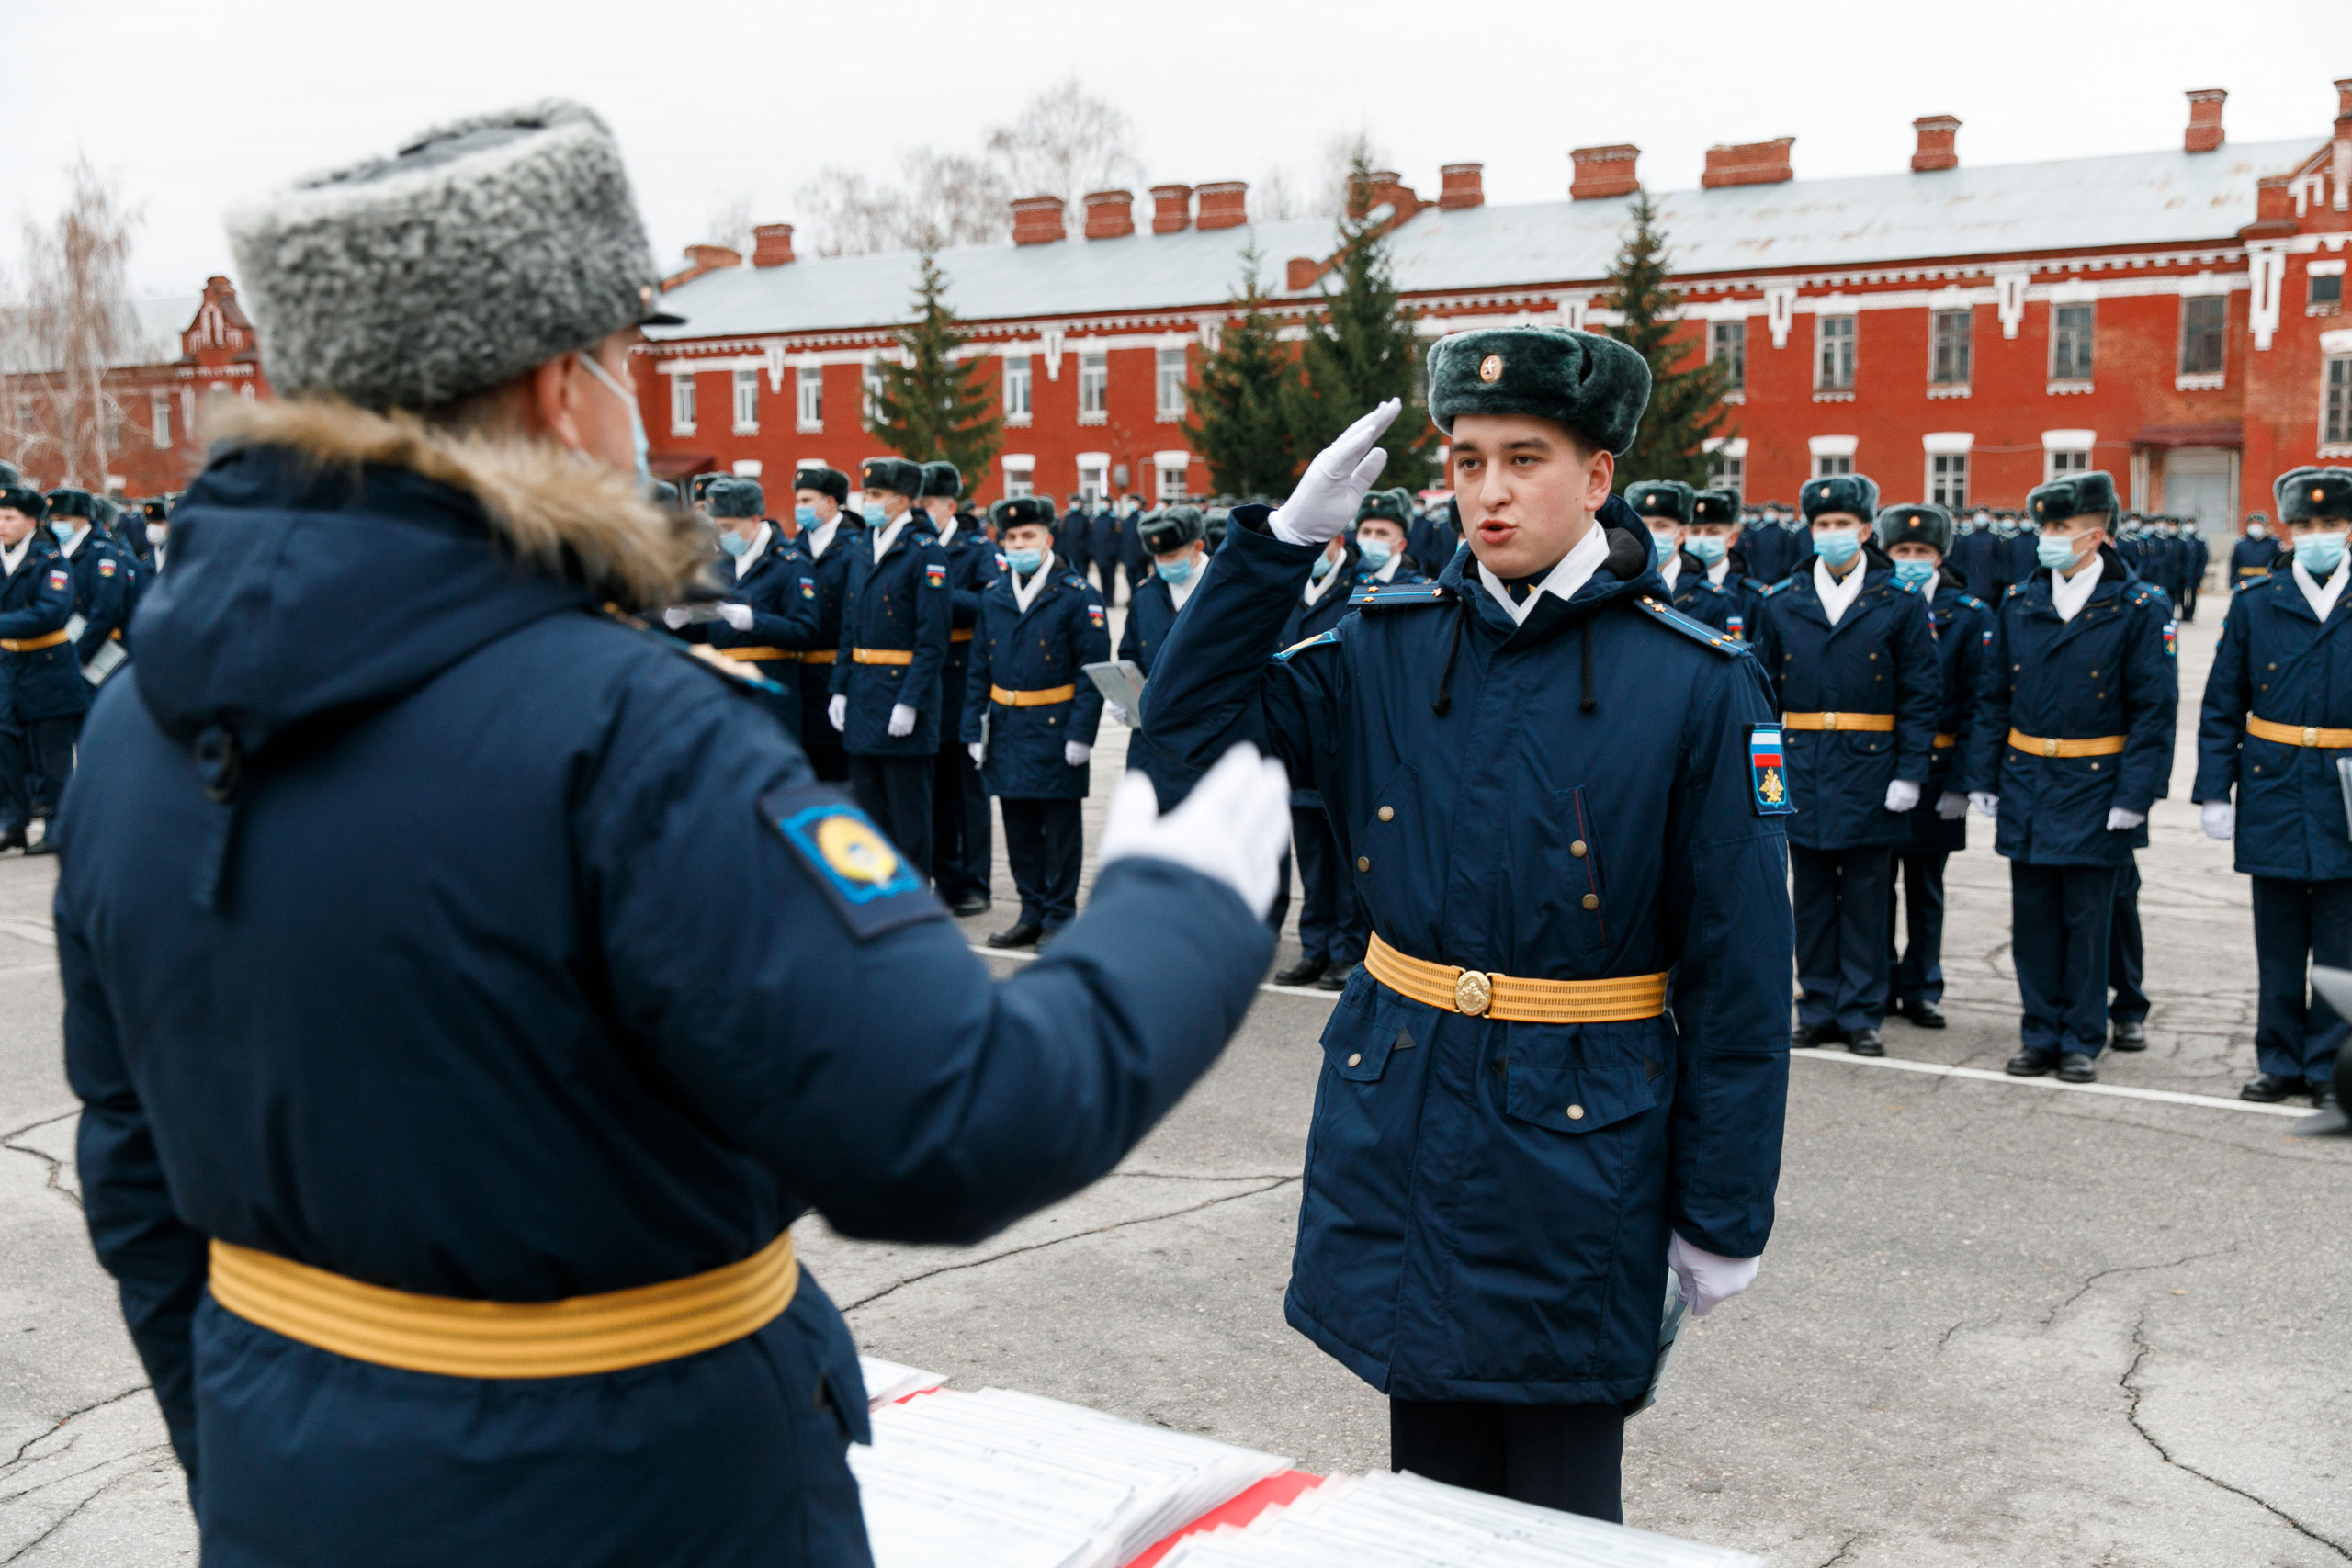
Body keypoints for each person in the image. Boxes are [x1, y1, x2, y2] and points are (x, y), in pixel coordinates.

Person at [55, 100, 1295, 1568]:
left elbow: (131, 1160)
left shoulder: (138, 720)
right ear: (559, 387)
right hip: (644, 1498)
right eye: (623, 359)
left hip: (289, 1482)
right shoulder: (622, 721)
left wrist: (260, 1452)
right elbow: (952, 1118)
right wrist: (1183, 908)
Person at [1142, 325, 1792, 1524]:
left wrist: (1723, 1206)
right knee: (1424, 1508)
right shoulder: (1388, 646)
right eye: (1466, 457)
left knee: (1553, 1512)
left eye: (1525, 457)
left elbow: (1742, 976)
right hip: (1406, 1118)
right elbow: (1181, 734)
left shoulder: (1696, 680)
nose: (1489, 490)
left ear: (1598, 475)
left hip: (1578, 1148)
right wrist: (1278, 546)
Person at [1965, 470, 2177, 1085]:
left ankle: (2083, 1036)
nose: (2048, 540)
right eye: (2044, 528)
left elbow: (2153, 711)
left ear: (2097, 532)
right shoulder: (2020, 601)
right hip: (2029, 776)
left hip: (2097, 782)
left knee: (2087, 920)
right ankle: (2040, 1031)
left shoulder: (2139, 606)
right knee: (2032, 917)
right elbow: (1993, 696)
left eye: (2060, 528)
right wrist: (1984, 774)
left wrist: (2137, 794)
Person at [1752, 475, 1940, 1057]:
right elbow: (1761, 697)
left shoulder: (1899, 601)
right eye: (1822, 524)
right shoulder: (1781, 601)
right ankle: (1816, 1006)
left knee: (1865, 897)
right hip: (1802, 766)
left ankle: (1861, 1013)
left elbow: (1920, 693)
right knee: (1808, 897)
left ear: (1865, 530)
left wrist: (1910, 772)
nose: (1831, 534)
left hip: (1871, 769)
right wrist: (1766, 781)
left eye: (1843, 524)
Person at [2193, 466, 2351, 1108]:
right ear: (2289, 529)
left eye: (2331, 524)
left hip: (2346, 786)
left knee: (2342, 943)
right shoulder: (2257, 602)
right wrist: (2212, 790)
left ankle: (2328, 1070)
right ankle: (2279, 1059)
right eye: (2306, 525)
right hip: (2276, 783)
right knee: (2279, 939)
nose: (2318, 536)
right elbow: (2222, 702)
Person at [964, 500, 1109, 948]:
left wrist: (1081, 734)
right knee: (1019, 827)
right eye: (1011, 538)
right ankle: (1031, 911)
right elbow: (977, 670)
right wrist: (973, 730)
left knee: (1059, 830)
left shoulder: (1076, 594)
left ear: (1047, 539)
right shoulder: (994, 595)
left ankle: (1060, 916)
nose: (1019, 545)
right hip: (1006, 727)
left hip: (1055, 726)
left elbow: (1093, 669)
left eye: (1028, 536)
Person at [1873, 503, 1990, 1029]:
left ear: (1941, 556)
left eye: (1923, 553)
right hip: (1877, 767)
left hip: (1940, 770)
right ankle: (1876, 979)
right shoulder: (1875, 603)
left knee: (1925, 889)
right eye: (1902, 552)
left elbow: (1979, 704)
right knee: (1873, 886)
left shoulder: (1968, 614)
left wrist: (1964, 781)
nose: (1912, 561)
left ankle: (1922, 986)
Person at [829, 456, 948, 882]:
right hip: (863, 693)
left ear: (901, 501)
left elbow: (932, 639)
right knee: (868, 810)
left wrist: (910, 702)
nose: (867, 502)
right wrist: (839, 687)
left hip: (901, 696)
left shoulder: (924, 551)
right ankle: (874, 895)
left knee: (908, 815)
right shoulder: (863, 546)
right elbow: (850, 625)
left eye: (876, 495)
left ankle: (914, 898)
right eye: (866, 494)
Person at [667, 477, 821, 734]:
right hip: (725, 691)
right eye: (716, 527)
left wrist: (755, 621)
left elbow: (806, 630)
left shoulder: (789, 566)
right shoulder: (716, 566)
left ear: (753, 520)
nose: (721, 534)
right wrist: (682, 624)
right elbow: (708, 631)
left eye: (728, 526)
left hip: (771, 691)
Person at [922, 460, 998, 918]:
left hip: (962, 676)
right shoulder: (914, 549)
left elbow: (990, 601)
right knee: (934, 788)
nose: (920, 511)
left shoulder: (974, 550)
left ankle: (975, 883)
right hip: (924, 680)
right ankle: (944, 878)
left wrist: (936, 594)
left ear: (949, 507)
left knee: (967, 789)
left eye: (927, 504)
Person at [0, 483, 78, 854]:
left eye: (9, 517)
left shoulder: (50, 559)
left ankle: (58, 827)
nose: (1, 523)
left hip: (47, 667)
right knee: (6, 750)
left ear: (30, 522)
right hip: (8, 667)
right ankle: (12, 823)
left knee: (52, 754)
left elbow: (51, 611)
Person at [789, 463, 861, 781]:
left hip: (838, 673)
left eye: (806, 501)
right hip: (799, 677)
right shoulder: (792, 549)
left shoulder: (856, 547)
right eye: (798, 500)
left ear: (829, 503)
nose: (799, 508)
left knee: (840, 774)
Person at [1627, 479, 1734, 633]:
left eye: (1661, 526)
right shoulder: (1616, 588)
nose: (1650, 533)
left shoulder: (1712, 600)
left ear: (1682, 534)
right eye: (1643, 525)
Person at [1682, 487, 1763, 639]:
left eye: (1713, 532)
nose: (1702, 539)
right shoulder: (1672, 586)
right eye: (1695, 531)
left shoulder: (1751, 597)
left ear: (1732, 538)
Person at [2231, 513, 2285, 591]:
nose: (2255, 526)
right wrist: (2232, 583)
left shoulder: (2273, 543)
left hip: (2265, 580)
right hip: (2245, 580)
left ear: (2265, 526)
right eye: (2252, 524)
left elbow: (2279, 562)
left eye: (2258, 523)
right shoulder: (2241, 544)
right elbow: (2234, 564)